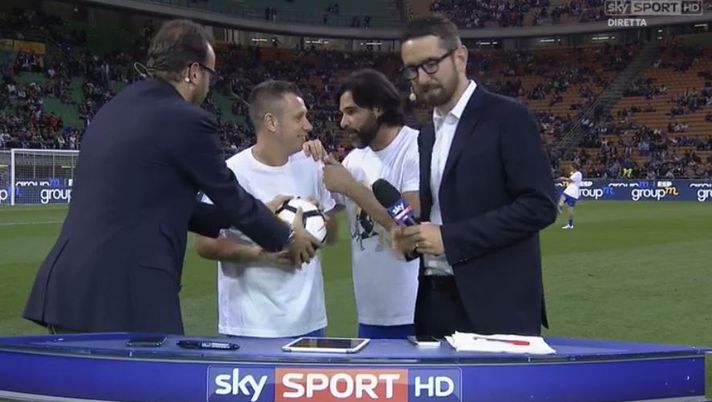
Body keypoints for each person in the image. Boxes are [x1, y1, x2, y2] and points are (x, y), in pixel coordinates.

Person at [23, 20, 319, 335]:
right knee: (154, 368)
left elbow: (166, 202)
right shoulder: (186, 120)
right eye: (210, 75)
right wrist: (287, 236)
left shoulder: (114, 108)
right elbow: (228, 194)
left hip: (68, 290)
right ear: (193, 72)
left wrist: (261, 210)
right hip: (125, 293)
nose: (209, 85)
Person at [392, 14, 558, 337]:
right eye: (412, 70)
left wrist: (449, 238)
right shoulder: (427, 134)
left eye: (430, 65)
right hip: (433, 301)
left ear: (460, 58)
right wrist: (414, 238)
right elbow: (441, 212)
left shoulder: (507, 117)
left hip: (496, 307)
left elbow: (540, 205)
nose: (422, 78)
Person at [195, 80, 339, 338]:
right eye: (299, 118)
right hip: (251, 326)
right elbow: (204, 245)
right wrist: (261, 255)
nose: (308, 125)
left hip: (309, 323)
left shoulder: (311, 164)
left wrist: (318, 222)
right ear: (271, 122)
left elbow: (334, 236)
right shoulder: (232, 173)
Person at [303, 68, 420, 339]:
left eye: (351, 111)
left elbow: (409, 224)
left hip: (413, 310)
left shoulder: (415, 148)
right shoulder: (355, 159)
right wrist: (309, 160)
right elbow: (327, 224)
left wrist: (350, 187)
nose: (343, 122)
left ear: (377, 108)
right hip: (370, 312)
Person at [558, 163, 582, 229]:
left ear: (574, 167)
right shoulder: (573, 173)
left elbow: (570, 180)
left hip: (573, 193)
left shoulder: (578, 174)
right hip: (568, 191)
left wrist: (563, 178)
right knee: (561, 201)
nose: (570, 168)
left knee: (570, 210)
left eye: (571, 167)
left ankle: (570, 225)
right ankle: (560, 208)